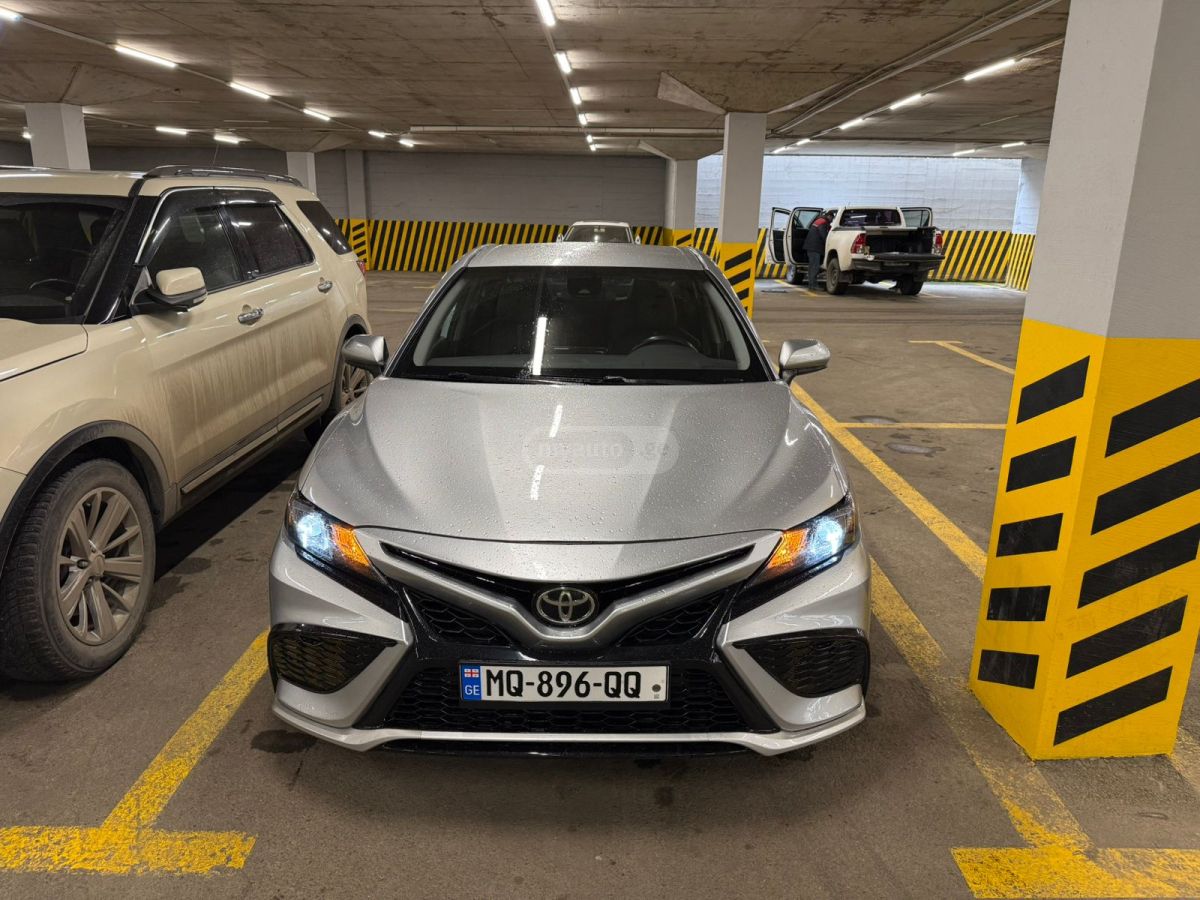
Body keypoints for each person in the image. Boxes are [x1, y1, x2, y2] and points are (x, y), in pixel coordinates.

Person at [803, 212, 832, 291]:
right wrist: (830, 243)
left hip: (811, 247)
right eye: (831, 218)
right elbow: (823, 235)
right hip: (815, 248)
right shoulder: (823, 222)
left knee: (812, 267)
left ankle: (811, 285)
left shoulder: (819, 220)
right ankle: (813, 285)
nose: (832, 220)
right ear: (829, 216)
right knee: (814, 267)